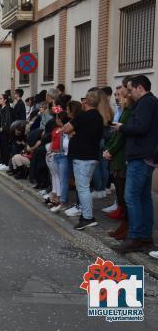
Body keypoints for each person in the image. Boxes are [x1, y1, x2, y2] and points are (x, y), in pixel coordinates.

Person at [112, 75, 158, 253]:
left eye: (130, 90)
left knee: (131, 197)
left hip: (140, 156)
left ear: (140, 88)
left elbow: (140, 127)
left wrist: (122, 127)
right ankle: (144, 237)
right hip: (146, 156)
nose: (129, 94)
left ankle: (135, 237)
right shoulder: (152, 102)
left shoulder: (146, 103)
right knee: (143, 197)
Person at [62, 90, 104, 230]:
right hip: (91, 156)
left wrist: (73, 131)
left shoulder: (83, 116)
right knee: (84, 187)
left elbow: (66, 128)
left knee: (83, 188)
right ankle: (86, 215)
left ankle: (87, 217)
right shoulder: (98, 116)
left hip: (82, 158)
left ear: (86, 101)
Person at [103, 82, 133, 240]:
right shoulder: (121, 112)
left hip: (122, 158)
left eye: (120, 95)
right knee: (121, 192)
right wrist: (108, 148)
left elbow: (121, 135)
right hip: (116, 156)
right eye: (115, 96)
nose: (117, 98)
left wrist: (110, 150)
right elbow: (115, 133)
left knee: (126, 194)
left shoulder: (128, 112)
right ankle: (124, 225)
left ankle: (128, 227)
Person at [0, 93, 12, 171]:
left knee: (5, 148)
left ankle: (6, 164)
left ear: (5, 100)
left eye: (1, 99)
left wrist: (3, 127)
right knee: (2, 147)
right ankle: (3, 162)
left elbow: (7, 120)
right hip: (0, 131)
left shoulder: (7, 108)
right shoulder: (2, 108)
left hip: (4, 132)